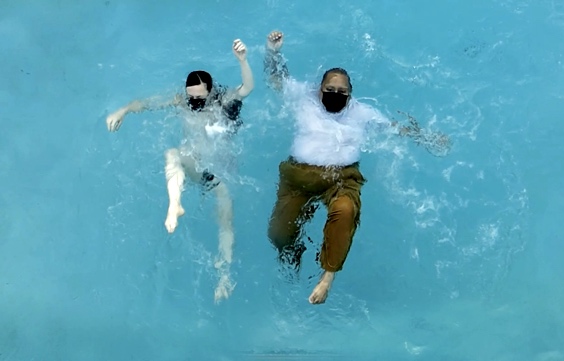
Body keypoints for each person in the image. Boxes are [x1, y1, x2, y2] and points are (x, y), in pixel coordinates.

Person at [262, 30, 450, 305]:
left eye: (342, 92)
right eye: (330, 91)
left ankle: (327, 277)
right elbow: (277, 78)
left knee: (345, 210)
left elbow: (394, 129)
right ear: (319, 90)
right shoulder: (304, 99)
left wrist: (428, 137)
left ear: (351, 95)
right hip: (298, 176)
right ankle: (294, 250)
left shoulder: (362, 113)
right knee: (278, 235)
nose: (336, 95)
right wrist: (273, 51)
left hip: (341, 178)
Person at [105, 39, 255, 302]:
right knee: (172, 154)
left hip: (220, 177)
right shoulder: (182, 102)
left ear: (211, 91)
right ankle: (175, 204)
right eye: (191, 96)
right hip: (196, 167)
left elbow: (247, 88)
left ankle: (224, 277)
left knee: (225, 225)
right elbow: (148, 103)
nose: (195, 101)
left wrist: (242, 61)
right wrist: (124, 109)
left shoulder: (222, 103)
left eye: (200, 96)